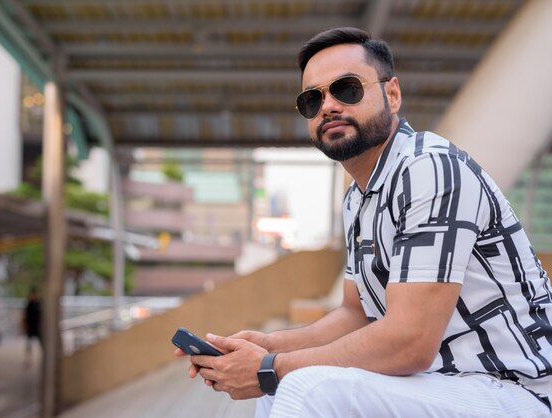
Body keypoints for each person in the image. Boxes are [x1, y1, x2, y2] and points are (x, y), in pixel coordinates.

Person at [175, 27, 552, 417]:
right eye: (312, 99)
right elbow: (356, 315)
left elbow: (411, 341)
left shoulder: (430, 169)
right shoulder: (359, 198)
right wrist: (270, 346)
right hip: (450, 383)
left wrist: (269, 368)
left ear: (392, 94)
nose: (328, 107)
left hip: (519, 390)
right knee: (278, 386)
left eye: (347, 89)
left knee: (304, 388)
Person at [22, 286, 41, 368]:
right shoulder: (29, 303)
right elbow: (25, 315)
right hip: (30, 327)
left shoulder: (39, 303)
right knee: (29, 345)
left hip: (37, 327)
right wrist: (24, 325)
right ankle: (28, 360)